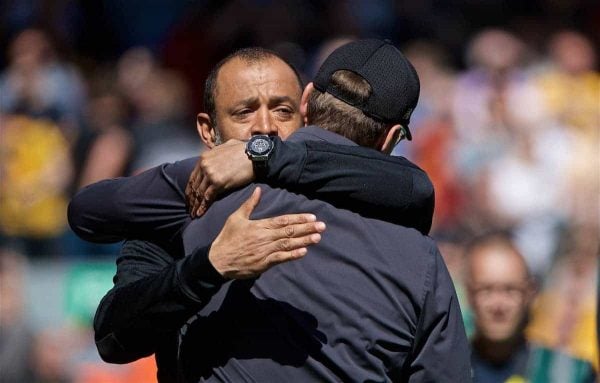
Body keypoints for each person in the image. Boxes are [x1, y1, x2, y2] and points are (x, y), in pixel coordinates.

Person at [68, 42, 455, 381]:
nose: (265, 128)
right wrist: (209, 266)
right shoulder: (188, 201)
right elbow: (113, 336)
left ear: (305, 109)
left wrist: (267, 158)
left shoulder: (394, 219)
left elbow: (416, 188)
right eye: (244, 113)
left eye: (282, 110)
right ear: (207, 131)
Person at [466, 232, 596, 383]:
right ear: (469, 295)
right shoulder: (443, 369)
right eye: (486, 290)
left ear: (530, 294)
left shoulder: (571, 374)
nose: (498, 305)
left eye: (510, 290)